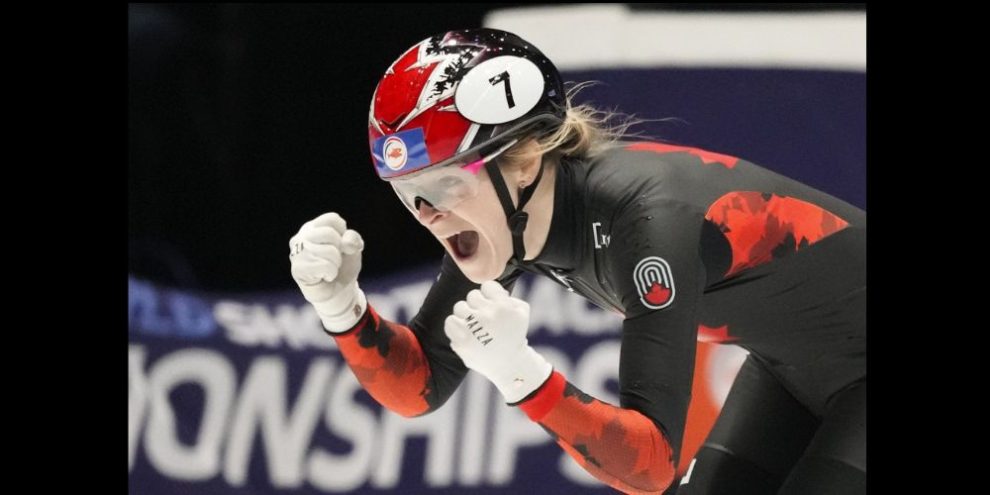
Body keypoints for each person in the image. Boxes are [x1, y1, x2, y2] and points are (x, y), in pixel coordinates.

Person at [289, 28, 865, 494]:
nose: (426, 213)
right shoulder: (504, 215)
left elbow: (651, 466)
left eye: (443, 184)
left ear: (525, 158)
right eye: (406, 191)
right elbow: (421, 387)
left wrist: (522, 374)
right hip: (793, 368)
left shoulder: (649, 220)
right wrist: (342, 308)